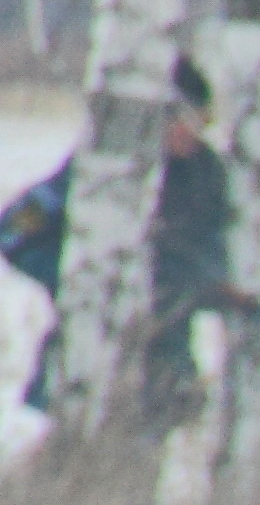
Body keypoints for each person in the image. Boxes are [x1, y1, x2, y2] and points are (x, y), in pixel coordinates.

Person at [6, 56, 239, 427]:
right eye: (190, 120)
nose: (195, 133)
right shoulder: (101, 170)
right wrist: (71, 281)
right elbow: (14, 231)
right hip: (86, 351)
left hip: (166, 352)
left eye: (204, 122)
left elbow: (219, 249)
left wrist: (204, 287)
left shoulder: (206, 172)